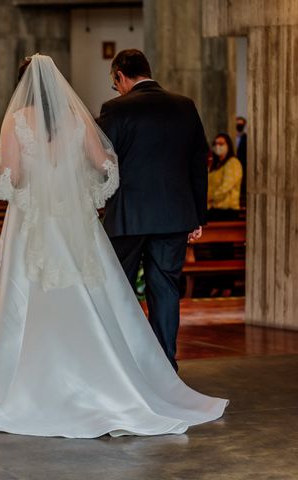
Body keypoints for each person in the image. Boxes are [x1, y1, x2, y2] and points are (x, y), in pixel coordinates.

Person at [0, 54, 227, 438]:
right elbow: (107, 165)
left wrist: (8, 171)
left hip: (34, 222)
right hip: (87, 220)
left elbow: (14, 178)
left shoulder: (17, 119)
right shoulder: (79, 118)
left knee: (27, 299)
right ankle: (140, 369)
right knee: (117, 294)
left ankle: (31, 383)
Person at [98, 49, 209, 371]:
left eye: (114, 83)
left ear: (120, 75)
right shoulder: (184, 106)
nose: (116, 89)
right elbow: (198, 163)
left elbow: (102, 163)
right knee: (165, 289)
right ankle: (164, 366)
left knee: (119, 288)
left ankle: (124, 365)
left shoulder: (115, 109)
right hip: (175, 216)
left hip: (128, 216)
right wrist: (197, 216)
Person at [208, 133, 243, 221]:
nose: (217, 146)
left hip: (227, 210)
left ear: (228, 145)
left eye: (221, 144)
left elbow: (225, 188)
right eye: (215, 144)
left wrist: (209, 197)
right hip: (214, 208)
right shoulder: (215, 165)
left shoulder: (233, 163)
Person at [235, 116, 247, 203]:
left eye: (241, 124)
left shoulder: (246, 138)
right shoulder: (230, 136)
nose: (239, 125)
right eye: (237, 123)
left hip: (242, 164)